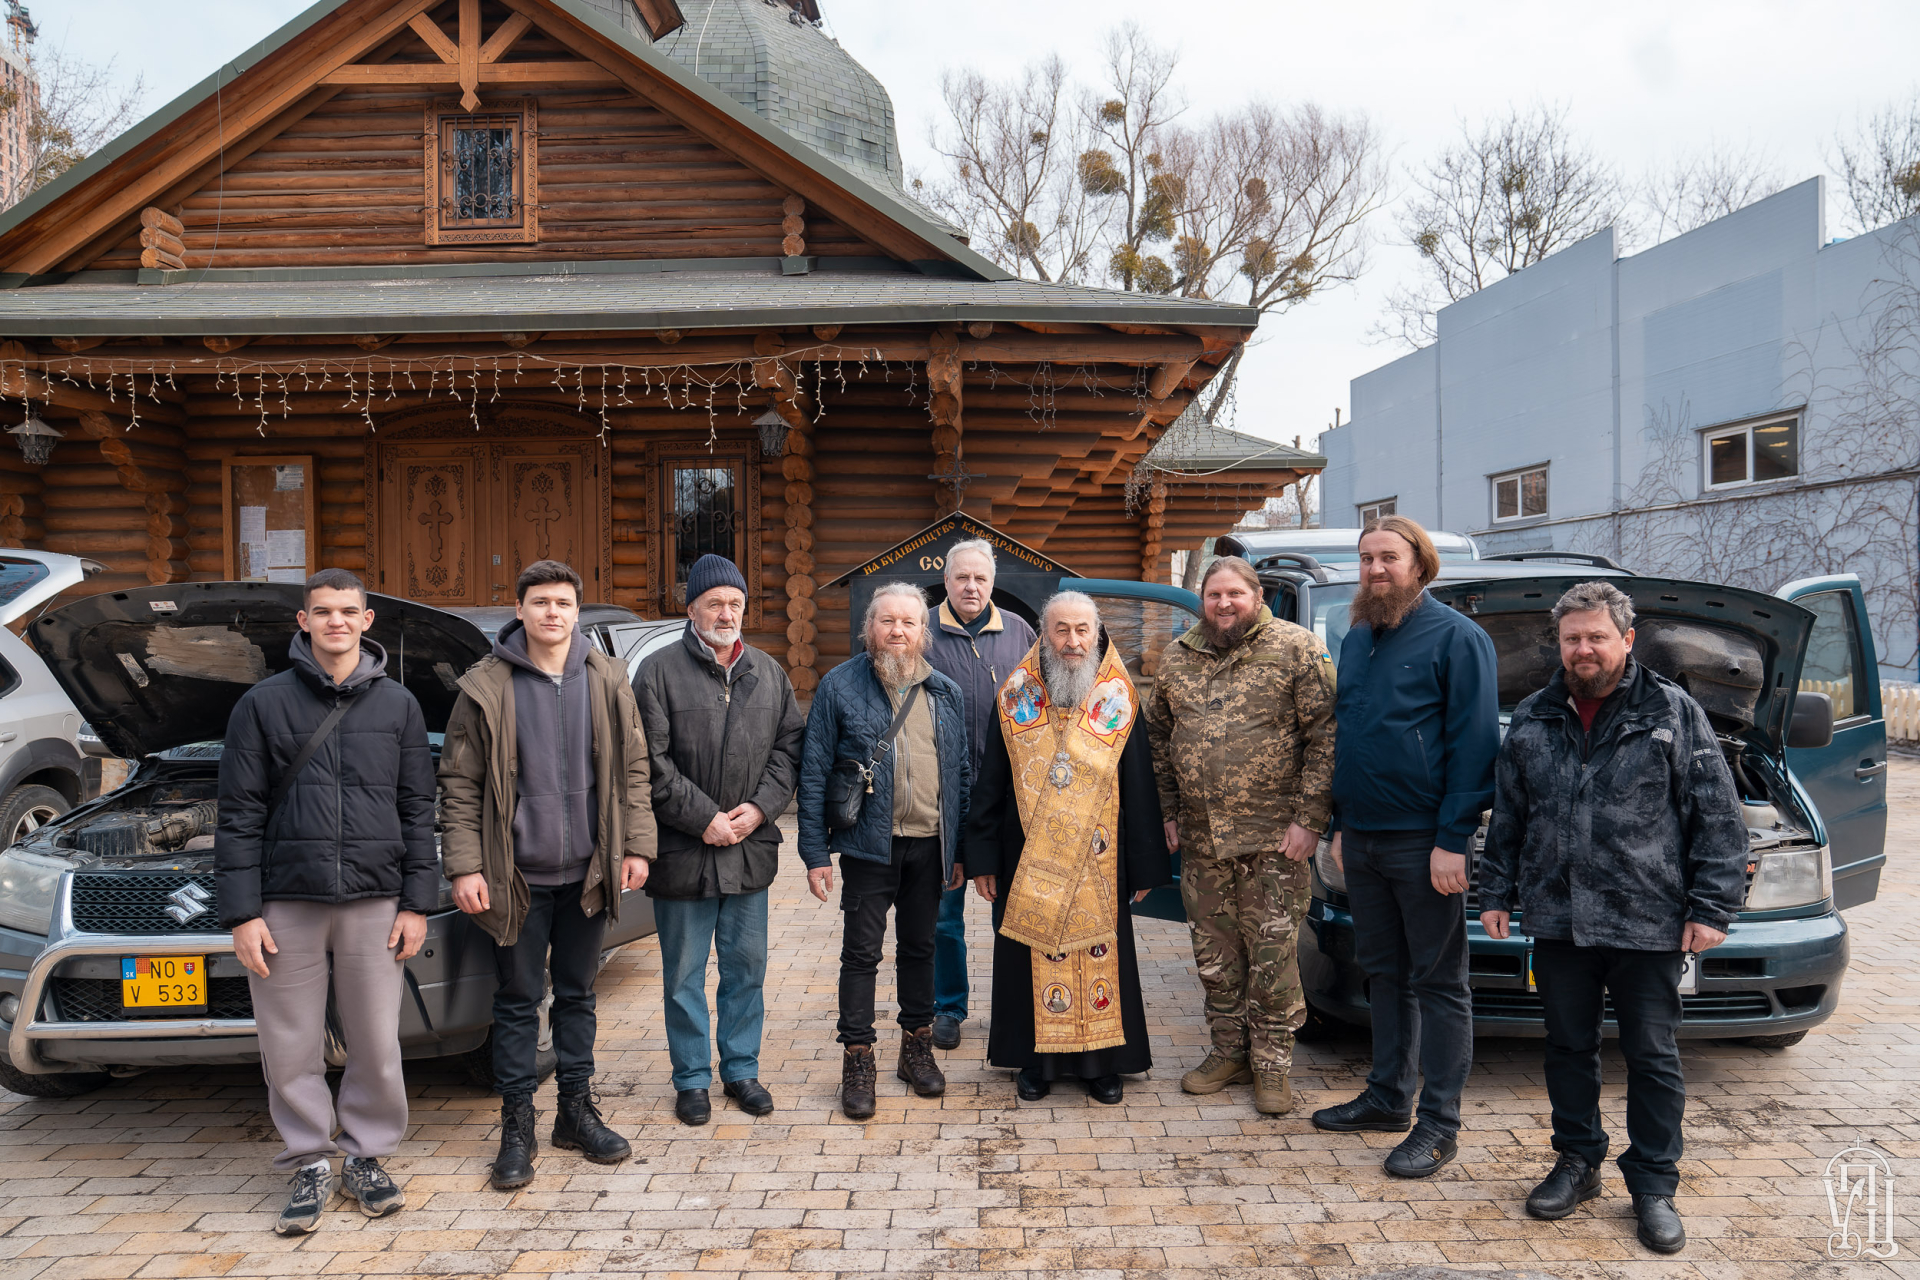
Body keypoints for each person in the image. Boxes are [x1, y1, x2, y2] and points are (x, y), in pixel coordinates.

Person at [1479, 581, 1746, 1255]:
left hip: (1648, 919)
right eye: (1573, 638)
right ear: (1559, 643)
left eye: (1597, 636)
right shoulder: (1534, 716)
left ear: (1626, 639)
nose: (1584, 649)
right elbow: (1509, 814)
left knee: (1652, 1056)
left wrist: (1712, 907)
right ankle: (1577, 1161)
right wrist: (1494, 892)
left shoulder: (1672, 711)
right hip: (1559, 919)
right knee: (1567, 1047)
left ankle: (1653, 1185)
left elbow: (1717, 817)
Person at [215, 568, 432, 1236]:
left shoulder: (399, 705)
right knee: (289, 1043)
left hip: (375, 899)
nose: (336, 621)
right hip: (287, 901)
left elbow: (417, 809)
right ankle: (309, 1159)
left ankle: (366, 1155)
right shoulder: (262, 705)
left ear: (367, 621)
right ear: (303, 621)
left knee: (376, 1040)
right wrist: (242, 913)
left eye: (347, 610)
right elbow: (239, 814)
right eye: (323, 611)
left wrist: (417, 902)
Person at [439, 559, 656, 1190]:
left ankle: (575, 1114)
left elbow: (634, 769)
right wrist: (465, 865)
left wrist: (635, 846)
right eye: (540, 602)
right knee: (517, 1001)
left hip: (588, 872)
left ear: (576, 611)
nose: (552, 613)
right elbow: (459, 783)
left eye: (563, 602)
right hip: (515, 877)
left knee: (578, 994)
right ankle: (517, 1128)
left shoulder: (607, 677)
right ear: (520, 610)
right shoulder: (486, 686)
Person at [1312, 516, 1498, 1179]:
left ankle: (1439, 1126)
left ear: (1420, 564)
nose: (1375, 569)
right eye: (1366, 559)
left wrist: (1452, 839)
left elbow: (1475, 746)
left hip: (1424, 843)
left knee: (1439, 982)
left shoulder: (1458, 638)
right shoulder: (1359, 636)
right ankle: (1389, 1097)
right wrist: (1341, 823)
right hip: (1363, 838)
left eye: (1388, 557)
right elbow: (1349, 735)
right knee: (1384, 973)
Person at [1144, 556, 1336, 1115]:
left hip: (1275, 839)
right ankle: (1229, 1053)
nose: (1224, 603)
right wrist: (1167, 812)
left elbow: (1326, 737)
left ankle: (1272, 1065)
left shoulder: (1297, 649)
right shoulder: (1178, 657)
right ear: (1202, 601)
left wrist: (1310, 820)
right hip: (1203, 840)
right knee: (1215, 956)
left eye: (1235, 593)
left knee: (1272, 956)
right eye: (1214, 595)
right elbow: (1158, 739)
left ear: (1258, 597)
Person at [963, 591, 1172, 1104]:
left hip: (1102, 861)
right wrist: (983, 857)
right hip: (1028, 858)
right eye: (1061, 630)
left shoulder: (1117, 700)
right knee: (1030, 956)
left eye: (1082, 630)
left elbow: (1139, 785)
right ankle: (1035, 1062)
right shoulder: (1016, 698)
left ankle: (1102, 1064)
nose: (1072, 641)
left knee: (1101, 956)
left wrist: (1145, 864)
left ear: (1097, 635)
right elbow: (991, 781)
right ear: (1044, 634)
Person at [634, 554, 805, 1126]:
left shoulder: (768, 672)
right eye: (715, 604)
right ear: (692, 610)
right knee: (683, 975)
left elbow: (789, 750)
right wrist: (703, 817)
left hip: (749, 851)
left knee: (746, 969)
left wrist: (760, 809)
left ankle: (741, 1070)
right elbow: (648, 763)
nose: (726, 613)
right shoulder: (657, 672)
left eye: (735, 603)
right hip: (684, 851)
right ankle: (691, 1079)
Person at [796, 581, 969, 1120]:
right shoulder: (839, 686)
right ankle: (858, 1059)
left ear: (924, 632)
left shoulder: (945, 692)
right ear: (868, 628)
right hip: (869, 850)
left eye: (908, 622)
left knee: (921, 948)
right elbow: (813, 773)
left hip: (929, 845)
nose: (897, 631)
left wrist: (958, 849)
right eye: (887, 620)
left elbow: (960, 774)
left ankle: (916, 1048)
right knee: (861, 954)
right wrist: (815, 854)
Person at [925, 538, 1036, 1050]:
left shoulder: (1019, 632)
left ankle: (1012, 1008)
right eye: (962, 577)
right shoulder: (921, 629)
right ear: (947, 581)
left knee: (1009, 912)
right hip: (939, 797)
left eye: (981, 578)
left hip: (1004, 799)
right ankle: (947, 1007)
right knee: (943, 916)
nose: (971, 587)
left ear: (993, 582)